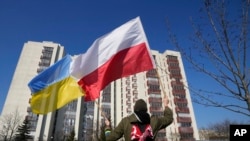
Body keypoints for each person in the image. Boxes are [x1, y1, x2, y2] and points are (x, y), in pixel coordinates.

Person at [104, 96, 173, 141]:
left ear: (134, 109)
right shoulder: (154, 121)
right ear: (146, 109)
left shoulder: (126, 121)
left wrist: (107, 127)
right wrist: (166, 105)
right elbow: (169, 118)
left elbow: (109, 138)